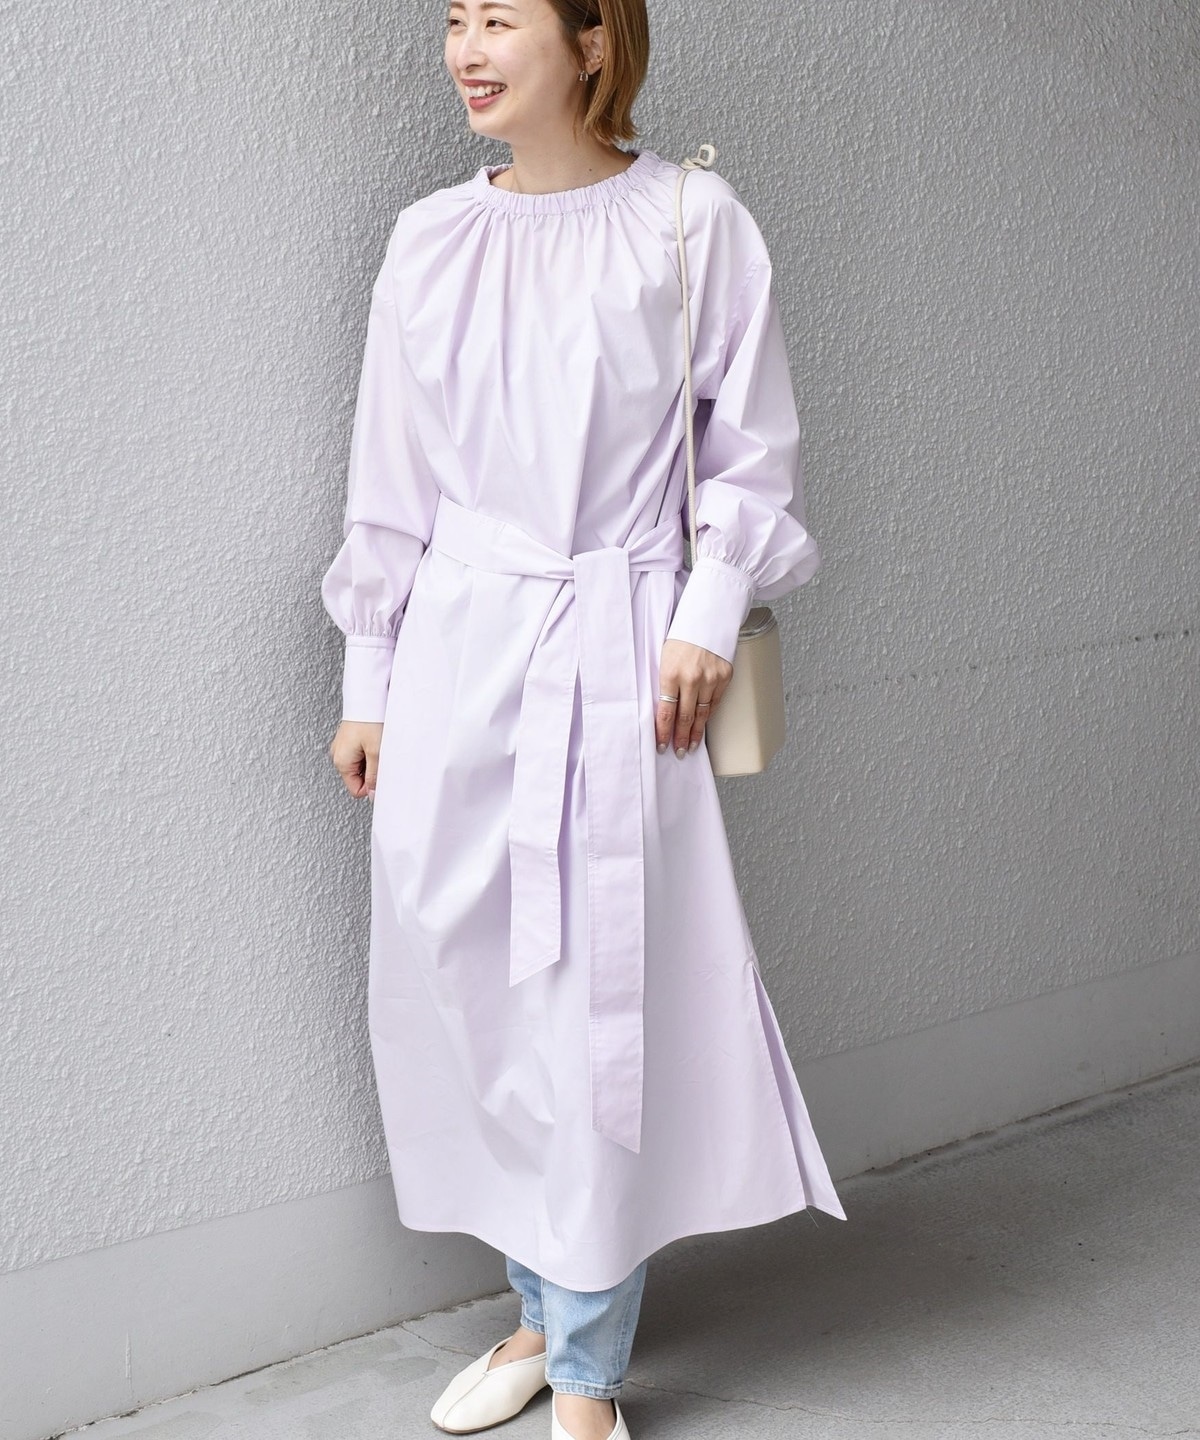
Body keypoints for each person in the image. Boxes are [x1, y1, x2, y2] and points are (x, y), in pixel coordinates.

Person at [320, 1, 847, 1437]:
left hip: (619, 647)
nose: (466, 48)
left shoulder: (690, 221)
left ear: (594, 38)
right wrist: (370, 679)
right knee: (480, 1007)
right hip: (456, 655)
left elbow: (752, 445)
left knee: (598, 1007)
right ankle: (541, 1315)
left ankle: (591, 1375)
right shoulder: (431, 240)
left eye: (501, 16)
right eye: (453, 18)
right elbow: (391, 478)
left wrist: (705, 611)